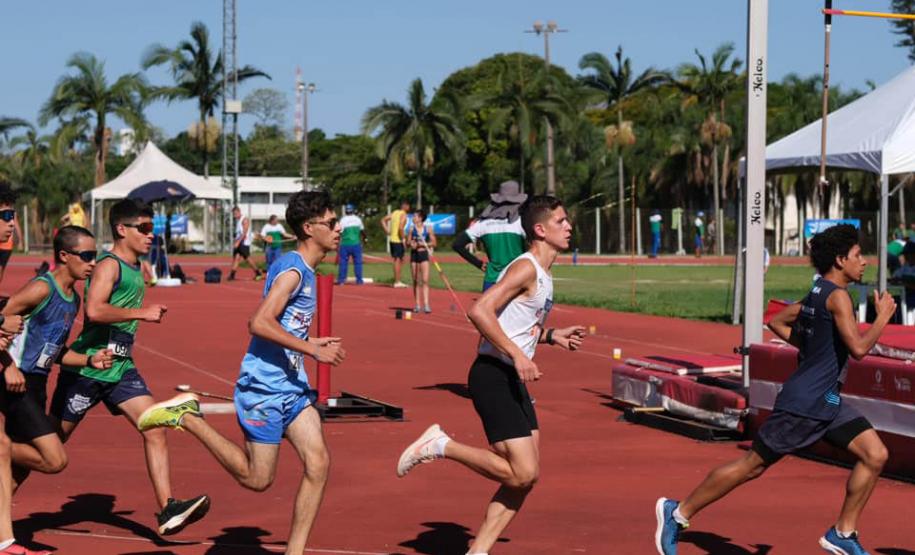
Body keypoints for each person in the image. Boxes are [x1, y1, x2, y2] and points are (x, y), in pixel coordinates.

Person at [655, 224, 893, 555]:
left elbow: (778, 321)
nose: (864, 261)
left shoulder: (818, 292)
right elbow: (858, 349)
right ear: (840, 260)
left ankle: (843, 532)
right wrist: (882, 317)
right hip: (805, 403)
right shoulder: (838, 297)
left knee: (875, 454)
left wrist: (811, 350)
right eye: (857, 255)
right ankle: (677, 513)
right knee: (752, 465)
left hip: (827, 401)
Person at [138, 191, 346, 555]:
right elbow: (259, 322)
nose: (338, 228)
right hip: (264, 389)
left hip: (292, 387)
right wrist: (312, 349)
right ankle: (188, 417)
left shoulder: (301, 268)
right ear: (309, 228)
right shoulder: (295, 271)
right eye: (331, 223)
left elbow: (280, 324)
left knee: (319, 463)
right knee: (258, 479)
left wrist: (307, 338)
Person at [396, 195, 587, 555]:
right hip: (492, 375)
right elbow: (480, 311)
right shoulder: (526, 267)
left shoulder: (543, 274)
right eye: (561, 221)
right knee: (522, 473)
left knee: (524, 479)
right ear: (540, 230)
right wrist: (517, 355)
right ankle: (440, 445)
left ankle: (478, 551)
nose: (569, 226)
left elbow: (515, 324)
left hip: (509, 376)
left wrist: (550, 336)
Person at [49, 199, 210, 536]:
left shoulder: (136, 266)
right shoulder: (109, 265)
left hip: (120, 368)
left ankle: (168, 507)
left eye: (154, 229)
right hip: (88, 370)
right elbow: (94, 310)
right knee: (48, 447)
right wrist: (141, 313)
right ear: (122, 229)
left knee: (154, 427)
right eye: (145, 228)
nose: (151, 235)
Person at [2, 226, 113, 492]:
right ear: (64, 255)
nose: (93, 263)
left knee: (18, 473)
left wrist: (89, 360)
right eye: (86, 256)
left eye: (95, 256)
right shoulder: (41, 288)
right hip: (16, 381)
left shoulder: (73, 300)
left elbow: (55, 351)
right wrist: (6, 365)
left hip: (38, 385)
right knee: (54, 459)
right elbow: (2, 321)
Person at [453, 180, 527, 292]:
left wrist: (478, 264)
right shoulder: (523, 222)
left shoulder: (483, 223)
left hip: (492, 280)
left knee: (487, 310)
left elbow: (457, 244)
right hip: (517, 281)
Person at [407, 210, 436, 313]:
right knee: (415, 280)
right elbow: (407, 242)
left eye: (415, 216)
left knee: (425, 280)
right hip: (414, 255)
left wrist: (422, 244)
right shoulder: (411, 229)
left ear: (420, 218)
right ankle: (418, 305)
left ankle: (426, 304)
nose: (413, 218)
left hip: (423, 254)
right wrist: (411, 244)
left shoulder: (428, 229)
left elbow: (434, 243)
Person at [229, 206, 264, 281]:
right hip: (239, 242)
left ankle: (258, 272)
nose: (234, 215)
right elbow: (239, 232)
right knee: (236, 258)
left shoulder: (244, 220)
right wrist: (236, 239)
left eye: (235, 213)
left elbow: (244, 232)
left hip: (244, 243)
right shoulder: (238, 221)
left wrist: (238, 242)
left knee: (247, 259)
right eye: (233, 214)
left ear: (239, 212)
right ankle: (232, 275)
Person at [381, 201, 409, 288]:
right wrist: (403, 238)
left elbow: (383, 220)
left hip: (392, 240)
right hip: (398, 240)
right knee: (398, 260)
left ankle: (398, 280)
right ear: (405, 206)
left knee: (400, 260)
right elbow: (401, 227)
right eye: (408, 206)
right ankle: (397, 281)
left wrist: (387, 231)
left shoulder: (395, 212)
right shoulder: (403, 214)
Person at [337, 204, 366, 285]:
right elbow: (362, 231)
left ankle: (341, 280)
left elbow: (340, 232)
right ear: (353, 210)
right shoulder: (357, 219)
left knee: (343, 262)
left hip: (345, 244)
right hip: (356, 243)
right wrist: (365, 239)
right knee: (358, 263)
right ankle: (359, 280)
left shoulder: (343, 220)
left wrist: (337, 243)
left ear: (346, 210)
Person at [0, 206, 22, 288]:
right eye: (6, 216)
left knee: (1, 269)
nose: (11, 223)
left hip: (7, 246)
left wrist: (20, 241)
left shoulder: (12, 210)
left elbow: (16, 224)